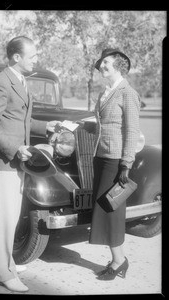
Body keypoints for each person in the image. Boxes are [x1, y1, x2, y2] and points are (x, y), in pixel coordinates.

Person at [0, 36, 61, 292]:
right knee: (6, 216)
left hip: (15, 161)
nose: (36, 59)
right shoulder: (1, 82)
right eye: (32, 55)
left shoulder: (21, 80)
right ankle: (3, 273)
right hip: (5, 161)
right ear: (17, 57)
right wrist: (16, 149)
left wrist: (44, 126)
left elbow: (18, 119)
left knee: (7, 215)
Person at [88, 48, 141, 280]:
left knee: (112, 210)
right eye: (101, 63)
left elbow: (131, 131)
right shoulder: (106, 92)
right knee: (105, 210)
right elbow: (103, 125)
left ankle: (119, 261)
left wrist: (126, 164)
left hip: (116, 161)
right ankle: (117, 259)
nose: (101, 66)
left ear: (119, 66)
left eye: (106, 63)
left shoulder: (127, 92)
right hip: (101, 157)